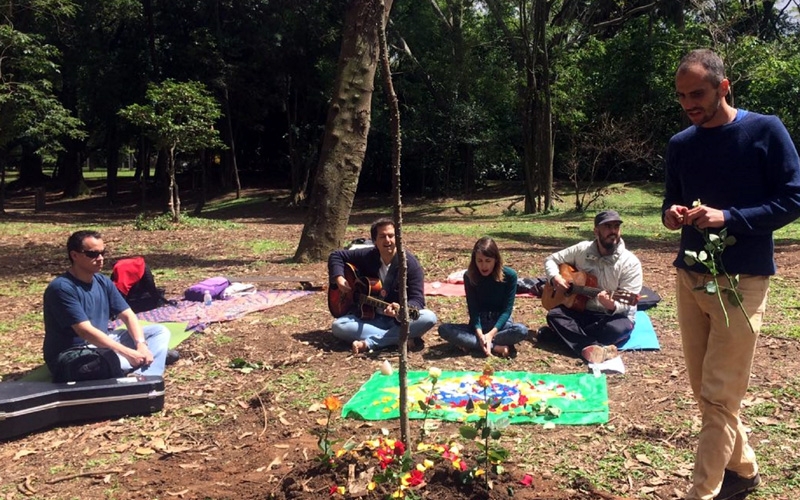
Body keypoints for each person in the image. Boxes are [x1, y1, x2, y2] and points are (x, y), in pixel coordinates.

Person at [662, 48, 800, 500]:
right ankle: (744, 469)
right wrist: (673, 215)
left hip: (742, 281)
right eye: (682, 97)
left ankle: (703, 492)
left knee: (719, 395)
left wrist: (730, 217)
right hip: (691, 277)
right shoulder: (682, 144)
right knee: (707, 390)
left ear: (724, 87)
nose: (689, 105)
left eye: (697, 94)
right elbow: (668, 203)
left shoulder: (765, 130)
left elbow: (792, 200)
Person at [43, 230, 173, 379]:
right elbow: (85, 332)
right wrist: (128, 352)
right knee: (102, 362)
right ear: (74, 255)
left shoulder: (102, 281)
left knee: (159, 331)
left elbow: (128, 315)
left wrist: (141, 344)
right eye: (92, 254)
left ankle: (144, 374)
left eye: (102, 253)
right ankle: (152, 358)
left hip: (105, 341)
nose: (100, 258)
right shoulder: (62, 288)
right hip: (76, 352)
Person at [540, 210, 642, 364]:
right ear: (596, 231)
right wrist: (556, 277)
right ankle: (594, 348)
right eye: (607, 227)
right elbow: (551, 260)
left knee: (617, 330)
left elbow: (628, 300)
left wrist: (612, 305)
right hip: (583, 311)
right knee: (554, 315)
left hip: (612, 317)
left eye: (616, 226)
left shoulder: (630, 262)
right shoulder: (582, 250)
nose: (613, 231)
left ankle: (565, 338)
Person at [328, 218, 437, 354]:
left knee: (429, 317)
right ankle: (400, 338)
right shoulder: (368, 255)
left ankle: (372, 342)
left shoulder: (410, 264)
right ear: (375, 241)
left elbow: (418, 300)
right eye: (382, 236)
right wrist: (339, 278)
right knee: (339, 326)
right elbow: (336, 256)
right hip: (371, 319)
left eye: (391, 236)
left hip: (398, 321)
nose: (388, 240)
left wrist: (402, 309)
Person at [437, 237, 528, 357]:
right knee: (444, 329)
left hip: (501, 324)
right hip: (479, 324)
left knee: (521, 331)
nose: (483, 265)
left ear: (496, 260)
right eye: (479, 261)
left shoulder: (510, 275)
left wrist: (491, 334)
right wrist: (480, 333)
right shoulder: (470, 276)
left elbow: (507, 310)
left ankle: (474, 343)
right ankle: (495, 347)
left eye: (488, 260)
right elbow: (473, 309)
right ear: (474, 260)